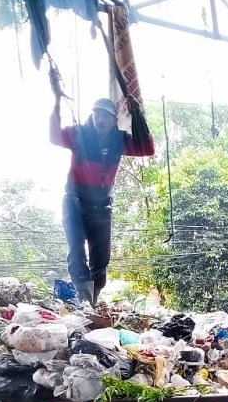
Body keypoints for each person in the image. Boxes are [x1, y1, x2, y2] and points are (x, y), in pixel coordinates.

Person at [51, 97, 155, 306]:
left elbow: (147, 148)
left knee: (101, 260)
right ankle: (84, 301)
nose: (100, 119)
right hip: (74, 201)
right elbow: (54, 136)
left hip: (101, 205)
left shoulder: (119, 140)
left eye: (105, 116)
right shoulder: (79, 134)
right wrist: (57, 102)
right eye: (97, 114)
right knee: (76, 252)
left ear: (114, 119)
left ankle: (92, 301)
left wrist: (136, 113)